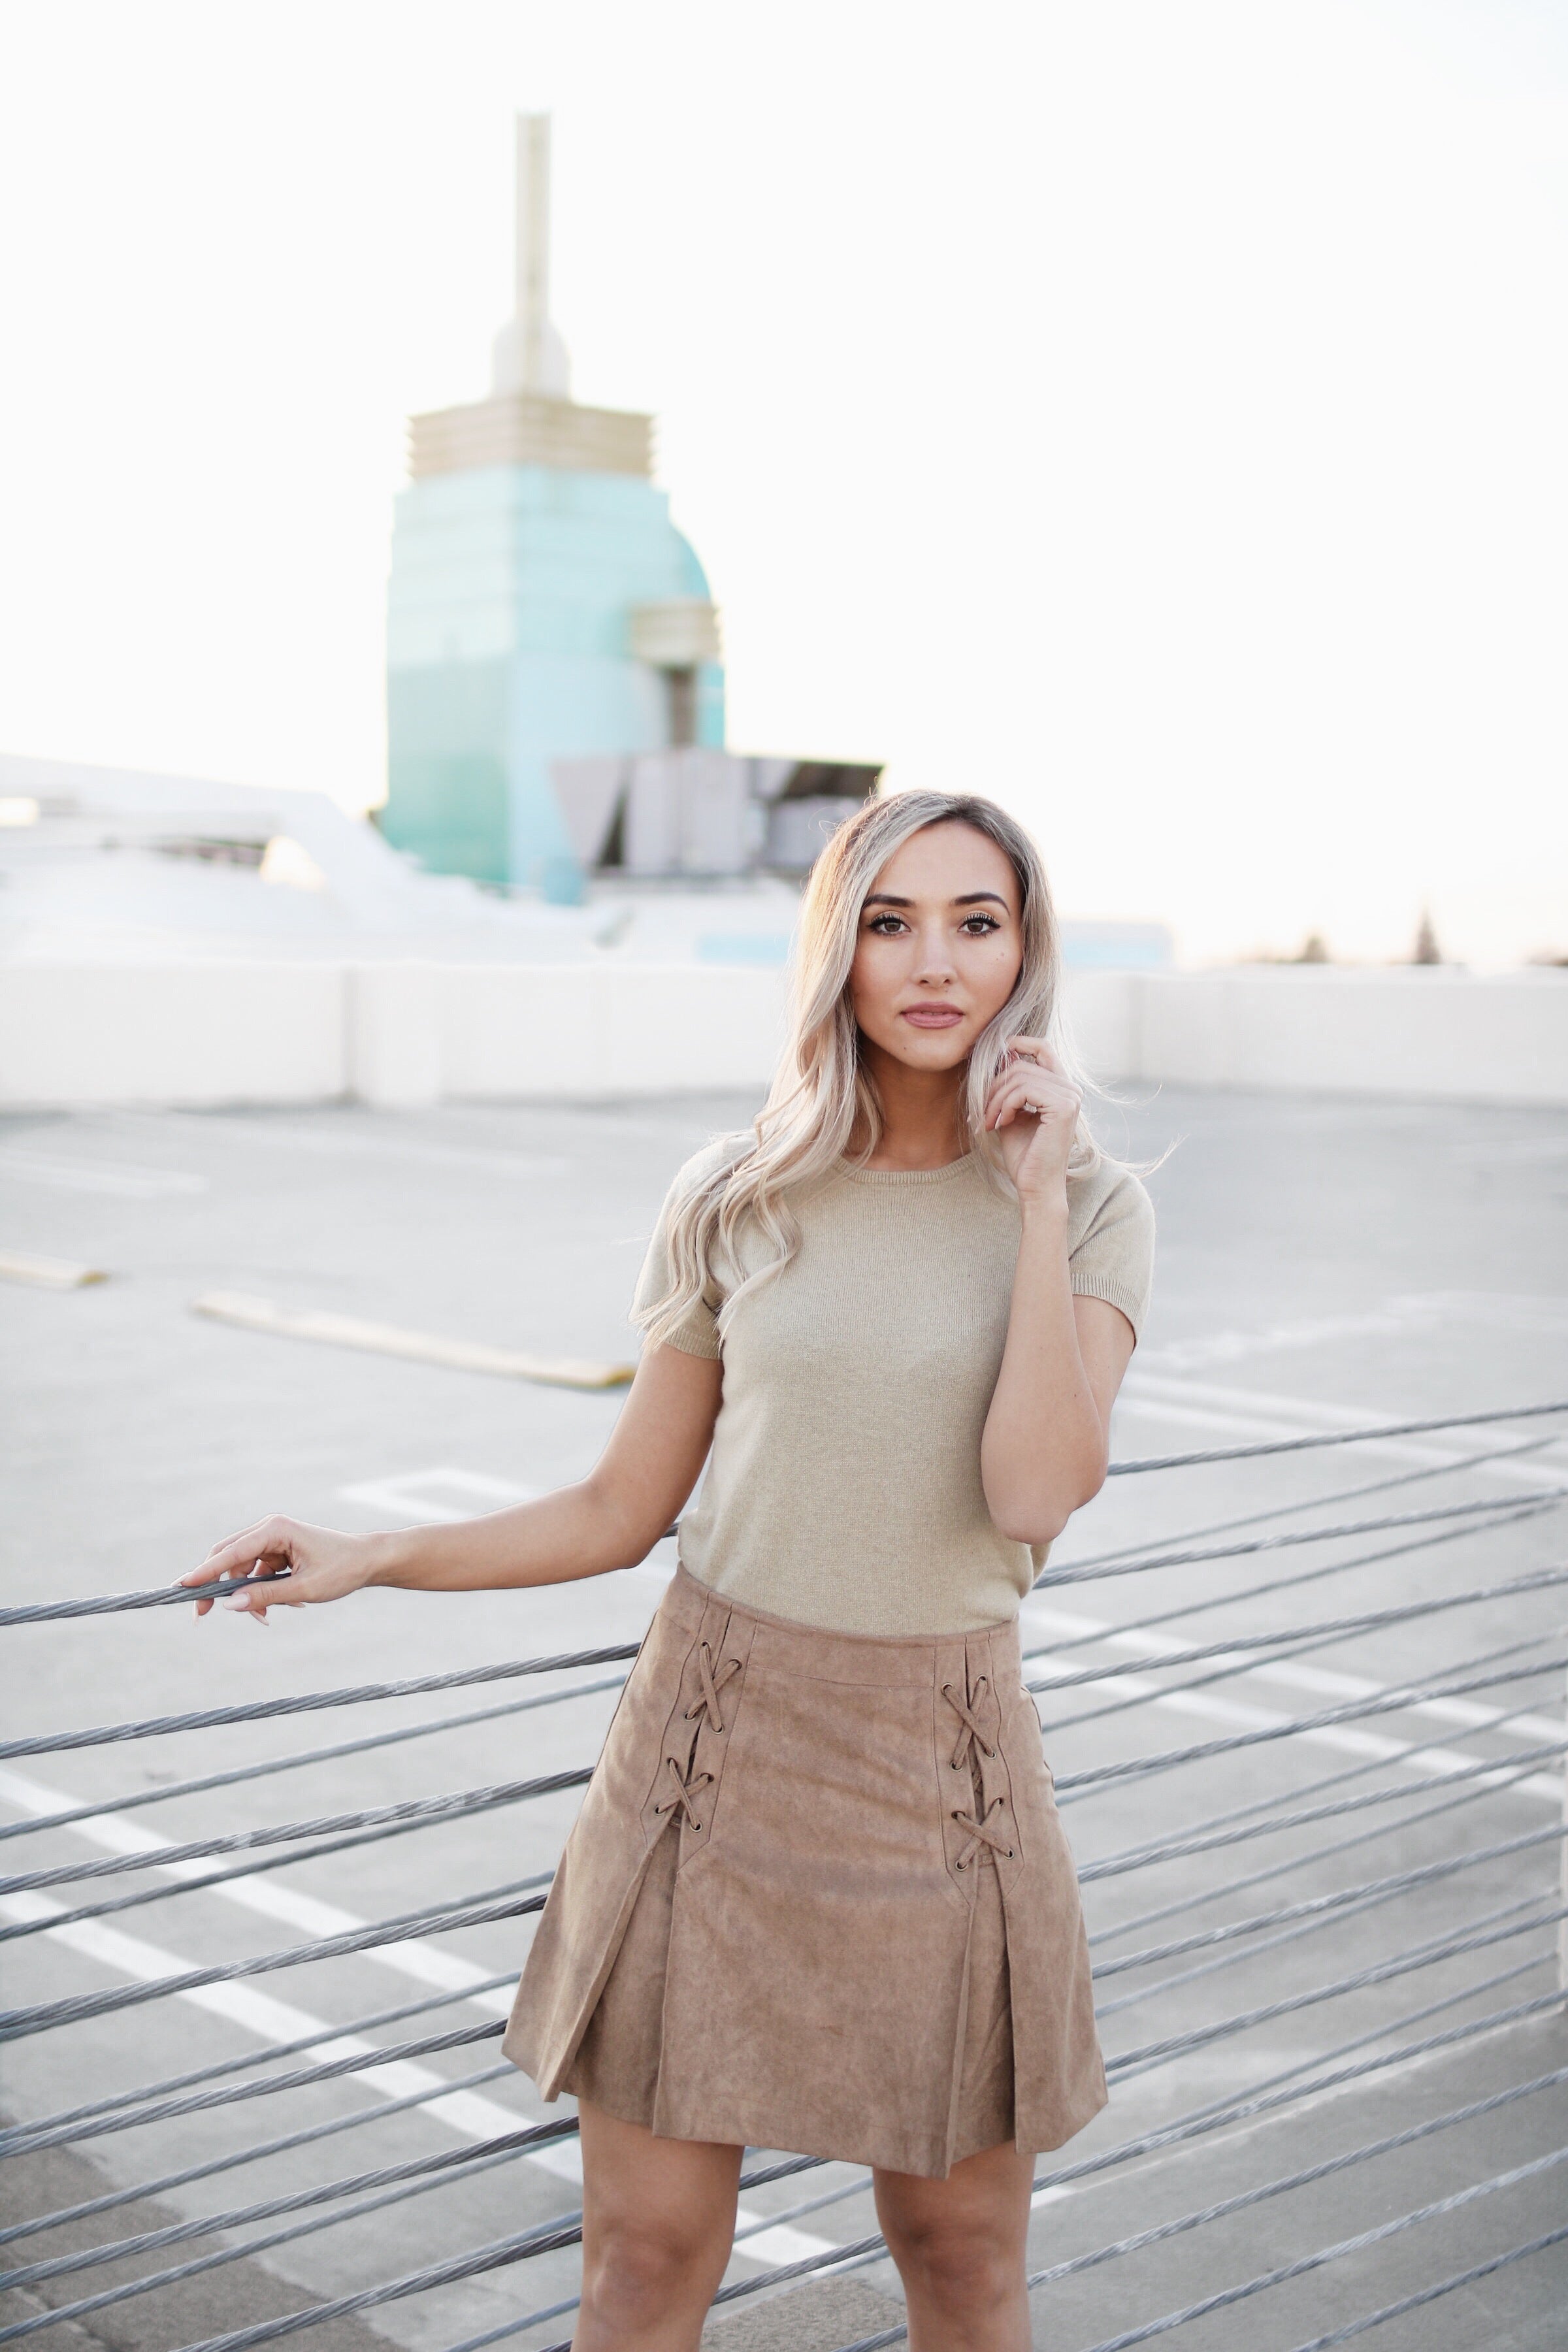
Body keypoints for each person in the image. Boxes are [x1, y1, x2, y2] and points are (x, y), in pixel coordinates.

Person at [186, 790, 1155, 2352]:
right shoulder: (735, 1192)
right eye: (889, 922)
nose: (934, 962)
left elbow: (1034, 1490)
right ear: (836, 952)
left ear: (1024, 952)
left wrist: (1036, 1197)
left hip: (943, 1779)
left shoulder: (1095, 1206)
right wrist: (371, 1556)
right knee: (642, 2261)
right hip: (708, 1763)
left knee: (962, 2258)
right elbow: (619, 1507)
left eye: (975, 923)